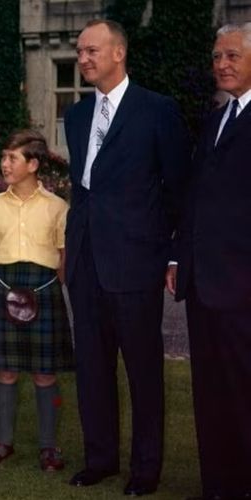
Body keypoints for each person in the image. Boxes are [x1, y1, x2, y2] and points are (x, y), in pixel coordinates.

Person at [63, 19, 191, 495]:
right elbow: (83, 192)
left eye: (91, 50)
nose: (83, 59)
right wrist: (69, 250)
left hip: (136, 265)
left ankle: (146, 469)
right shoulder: (76, 116)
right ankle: (100, 459)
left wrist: (175, 254)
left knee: (143, 373)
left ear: (119, 53)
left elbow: (179, 190)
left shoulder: (157, 110)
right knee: (92, 370)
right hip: (86, 263)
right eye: (79, 52)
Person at [166, 23, 251, 500]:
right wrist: (178, 254)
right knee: (211, 391)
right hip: (204, 287)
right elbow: (195, 197)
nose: (222, 64)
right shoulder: (215, 121)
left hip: (244, 287)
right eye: (217, 56)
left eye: (233, 56)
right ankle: (219, 483)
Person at [0, 130, 74, 473]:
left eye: (12, 158)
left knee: (45, 373)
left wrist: (45, 289)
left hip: (44, 290)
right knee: (4, 370)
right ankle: (3, 442)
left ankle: (49, 447)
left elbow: (63, 257)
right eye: (3, 157)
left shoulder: (58, 207)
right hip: (4, 287)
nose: (4, 164)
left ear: (33, 164)